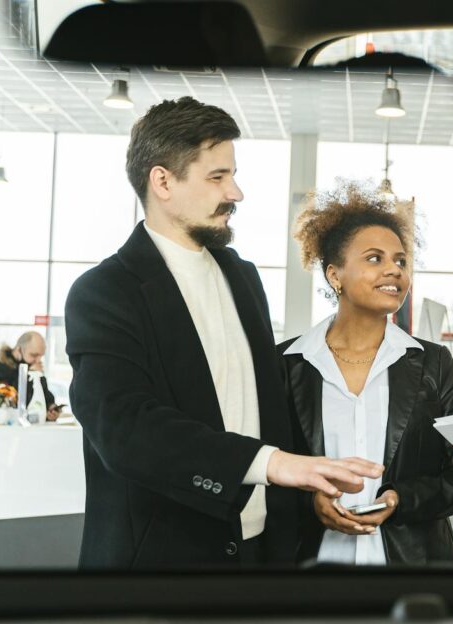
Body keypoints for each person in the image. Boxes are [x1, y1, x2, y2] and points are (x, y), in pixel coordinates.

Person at [64, 97, 382, 570]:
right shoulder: (104, 292)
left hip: (261, 556)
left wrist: (308, 487)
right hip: (161, 565)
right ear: (163, 181)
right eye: (217, 177)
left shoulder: (242, 276)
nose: (236, 193)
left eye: (232, 174)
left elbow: (268, 405)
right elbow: (126, 429)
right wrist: (273, 464)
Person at [279, 182, 453, 567]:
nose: (394, 269)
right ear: (334, 274)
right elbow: (260, 468)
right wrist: (310, 501)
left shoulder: (433, 364)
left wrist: (399, 499)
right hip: (309, 568)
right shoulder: (285, 365)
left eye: (401, 261)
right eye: (374, 258)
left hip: (415, 569)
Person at [0, 332, 61, 467]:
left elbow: (44, 396)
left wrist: (50, 408)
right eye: (33, 355)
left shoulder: (31, 369)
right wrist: (29, 376)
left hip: (16, 445)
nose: (37, 360)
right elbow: (12, 401)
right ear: (18, 350)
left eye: (40, 356)